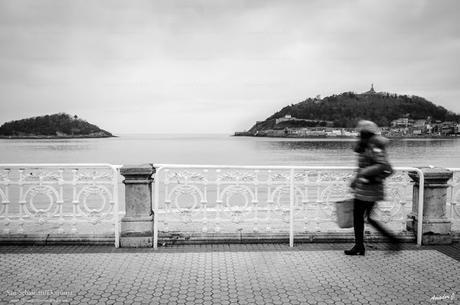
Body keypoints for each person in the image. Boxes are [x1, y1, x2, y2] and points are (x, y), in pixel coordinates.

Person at [345, 120, 399, 256]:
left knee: (359, 216)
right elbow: (362, 166)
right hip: (364, 187)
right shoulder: (366, 145)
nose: (358, 135)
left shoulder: (374, 146)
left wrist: (364, 173)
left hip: (370, 187)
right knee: (366, 217)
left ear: (365, 133)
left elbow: (383, 165)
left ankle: (362, 246)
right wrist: (355, 180)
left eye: (361, 133)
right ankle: (362, 245)